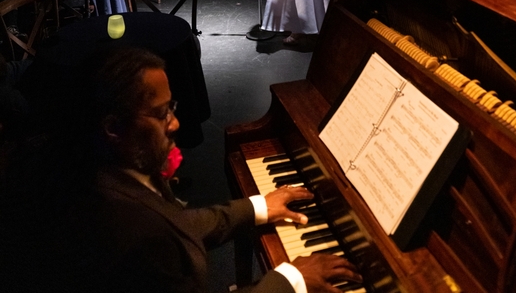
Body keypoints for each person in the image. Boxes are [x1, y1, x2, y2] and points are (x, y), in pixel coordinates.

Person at [2, 46, 361, 293]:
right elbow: (157, 234)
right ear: (113, 127)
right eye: (161, 114)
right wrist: (292, 278)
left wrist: (257, 207)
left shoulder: (95, 167)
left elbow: (173, 224)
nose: (175, 124)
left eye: (171, 107)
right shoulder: (125, 225)